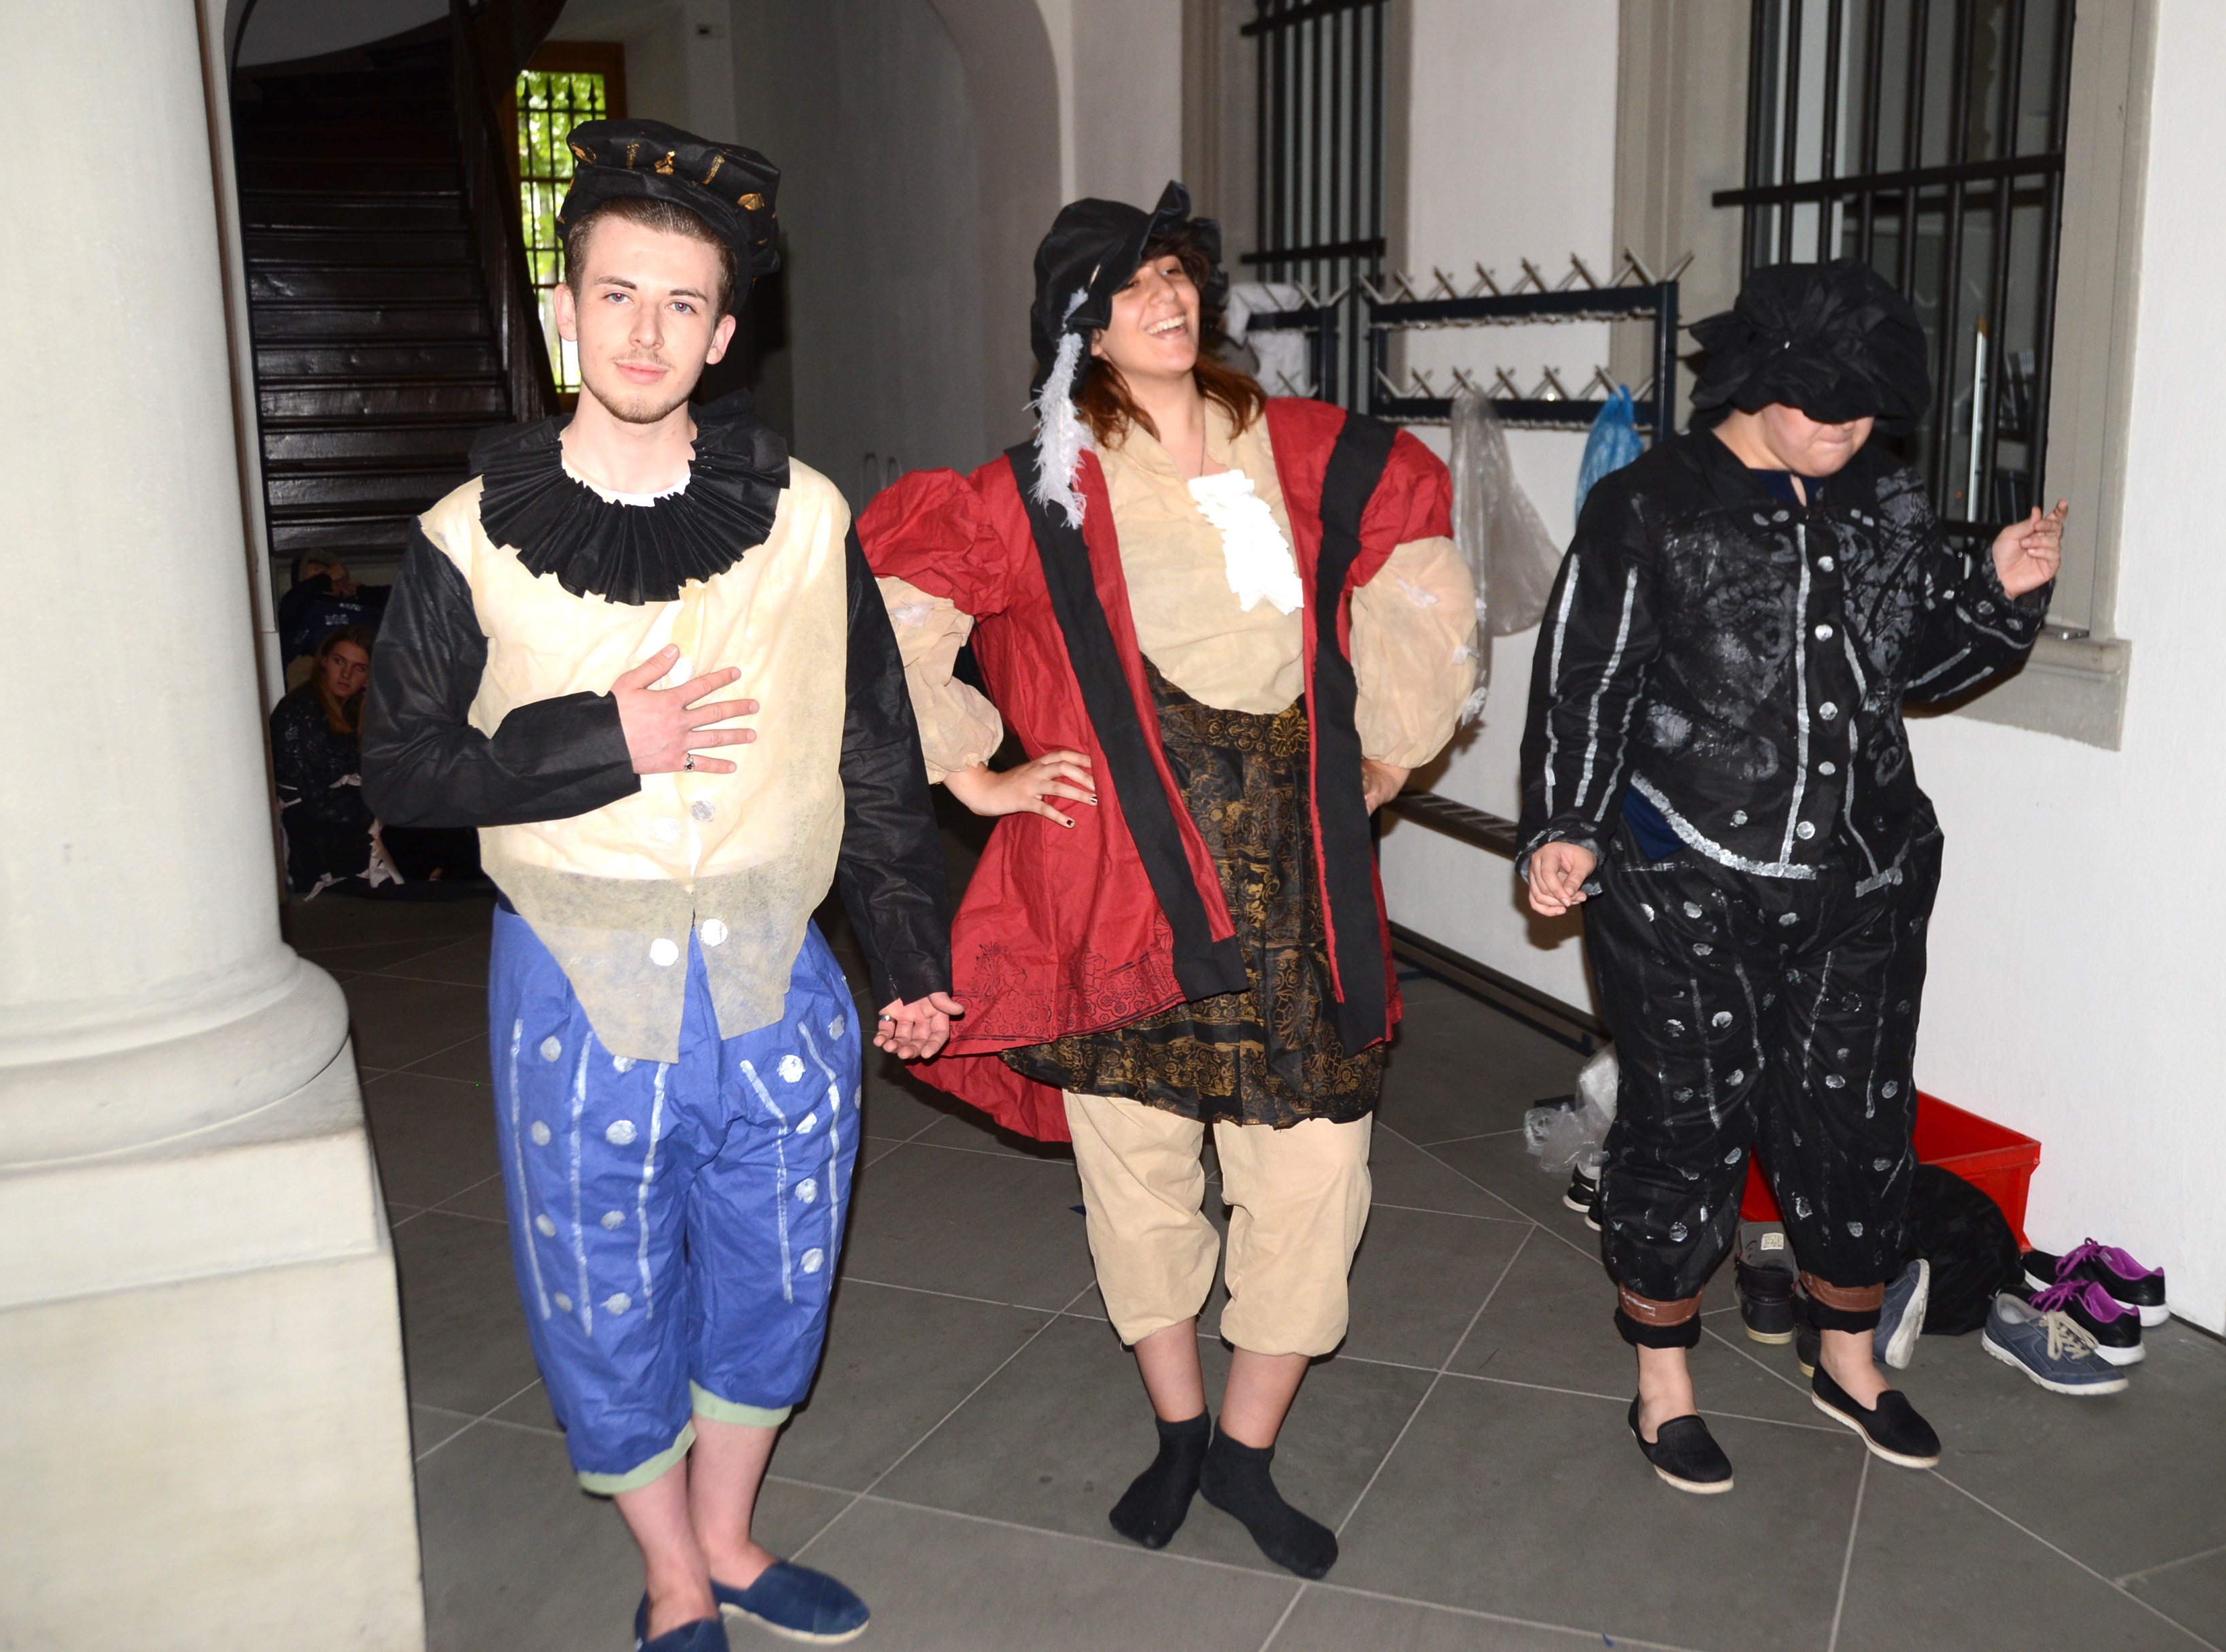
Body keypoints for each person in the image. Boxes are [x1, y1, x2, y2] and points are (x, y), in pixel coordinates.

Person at [364, 119, 956, 1652]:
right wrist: (596, 740)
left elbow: (874, 745)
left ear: (725, 332)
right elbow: (404, 769)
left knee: (781, 1259)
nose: (645, 332)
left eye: (682, 303)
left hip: (778, 967)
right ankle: (672, 1570)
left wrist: (910, 953)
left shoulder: (804, 517)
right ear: (565, 307)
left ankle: (733, 1535)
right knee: (601, 1277)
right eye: (617, 294)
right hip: (576, 972)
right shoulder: (467, 537)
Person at [857, 183, 1476, 1578]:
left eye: (1179, 276)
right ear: (1080, 327)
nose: (1166, 301)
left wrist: (1388, 746)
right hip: (1114, 886)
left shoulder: (1303, 449)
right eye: (1131, 287)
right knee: (1138, 1170)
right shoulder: (1040, 485)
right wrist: (972, 771)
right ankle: (1181, 1430)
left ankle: (1248, 1454)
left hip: (1292, 881)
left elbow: (1421, 567)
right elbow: (892, 606)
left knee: (1315, 1173)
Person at [1515, 257, 2065, 1495]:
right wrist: (1567, 825)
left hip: (1863, 876)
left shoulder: (1884, 500)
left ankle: (1849, 1360)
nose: (1842, 432)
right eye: (1821, 408)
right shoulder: (1648, 505)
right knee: (1684, 1127)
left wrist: (1999, 591)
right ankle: (1663, 1382)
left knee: (1857, 1122)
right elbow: (1587, 683)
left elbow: (1917, 666)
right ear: (1755, 382)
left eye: (1866, 414)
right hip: (1682, 875)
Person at [269, 624, 383, 896]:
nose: (346, 674)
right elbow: (316, 798)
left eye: (359, 668)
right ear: (323, 661)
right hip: (313, 825)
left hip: (338, 812)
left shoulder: (351, 705)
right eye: (339, 662)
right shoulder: (300, 711)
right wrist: (377, 815)